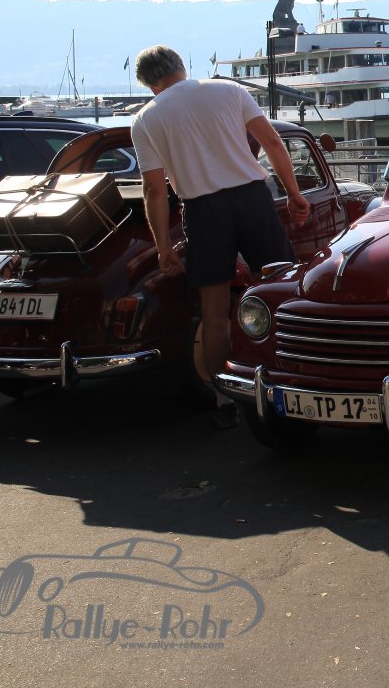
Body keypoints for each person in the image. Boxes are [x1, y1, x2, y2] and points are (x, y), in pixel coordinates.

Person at [130, 45, 311, 427]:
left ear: (149, 84)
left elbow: (155, 190)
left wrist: (164, 246)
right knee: (280, 291)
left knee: (213, 311)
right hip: (252, 198)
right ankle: (294, 378)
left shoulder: (146, 119)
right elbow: (272, 142)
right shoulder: (228, 90)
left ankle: (224, 400)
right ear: (182, 66)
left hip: (202, 209)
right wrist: (294, 193)